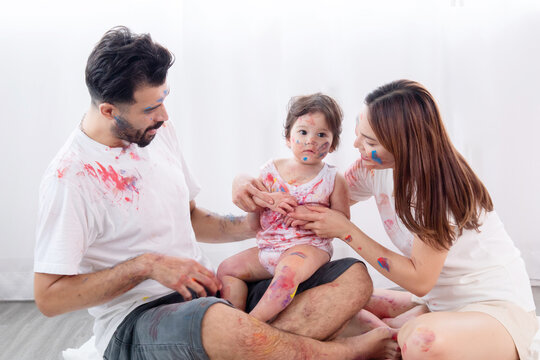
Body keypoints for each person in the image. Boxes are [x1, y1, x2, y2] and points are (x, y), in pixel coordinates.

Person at [33, 26, 401, 360]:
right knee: (223, 325)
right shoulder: (71, 177)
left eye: (164, 99)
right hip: (137, 318)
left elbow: (189, 218)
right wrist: (147, 265)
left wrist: (256, 216)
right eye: (151, 108)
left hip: (205, 293)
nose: (163, 115)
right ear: (110, 110)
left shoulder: (155, 132)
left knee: (353, 279)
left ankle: (255, 347)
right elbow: (49, 297)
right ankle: (346, 351)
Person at [282, 79, 538, 359]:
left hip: (494, 311)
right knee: (337, 299)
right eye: (358, 133)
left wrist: (346, 231)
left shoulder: (437, 190)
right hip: (438, 303)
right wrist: (255, 187)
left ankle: (398, 332)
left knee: (420, 340)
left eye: (369, 142)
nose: (356, 145)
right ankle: (397, 329)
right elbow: (311, 195)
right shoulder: (373, 168)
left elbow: (419, 280)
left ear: (403, 145)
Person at [217, 94, 350, 323]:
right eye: (303, 132)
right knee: (226, 269)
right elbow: (253, 223)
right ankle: (233, 320)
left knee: (286, 277)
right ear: (288, 137)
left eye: (321, 134)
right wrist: (268, 200)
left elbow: (342, 224)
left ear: (333, 143)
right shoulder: (270, 171)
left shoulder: (333, 179)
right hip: (269, 247)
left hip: (308, 248)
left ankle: (251, 327)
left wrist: (309, 215)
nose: (311, 141)